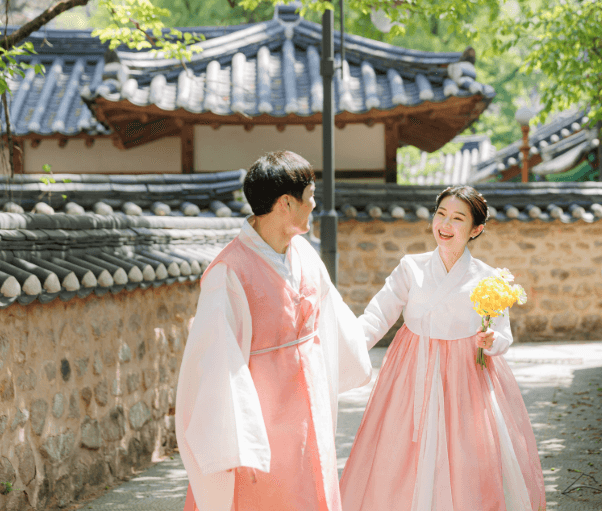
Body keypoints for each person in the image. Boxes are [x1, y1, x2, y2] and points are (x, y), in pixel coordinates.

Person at [176, 151, 372, 511]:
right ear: (286, 203)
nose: (314, 205)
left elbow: (334, 321)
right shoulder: (228, 273)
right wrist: (238, 437)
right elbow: (217, 365)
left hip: (311, 401)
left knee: (313, 483)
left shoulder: (305, 254)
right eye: (310, 196)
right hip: (263, 414)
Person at [340, 185, 546, 511]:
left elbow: (503, 334)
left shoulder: (488, 278)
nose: (445, 225)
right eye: (441, 214)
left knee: (468, 452)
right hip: (412, 368)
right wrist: (347, 348)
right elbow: (378, 315)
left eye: (457, 219)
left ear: (476, 229)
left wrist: (491, 342)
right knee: (404, 448)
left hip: (467, 376)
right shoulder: (411, 267)